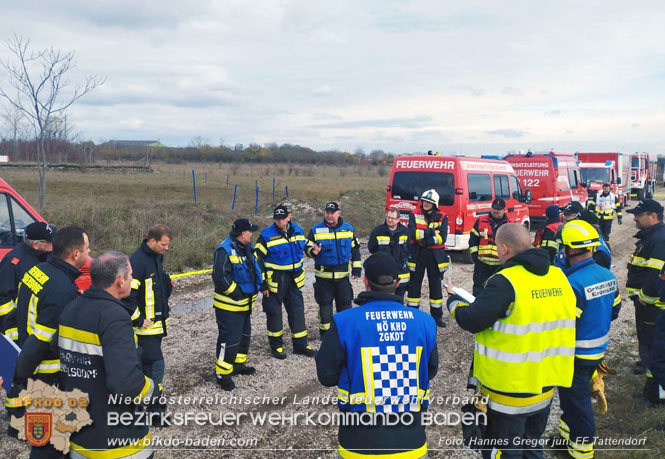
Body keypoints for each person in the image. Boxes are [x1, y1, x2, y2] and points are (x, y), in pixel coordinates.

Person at [447, 223, 576, 458]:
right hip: (544, 387)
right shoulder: (559, 276)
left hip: (508, 394)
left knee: (503, 451)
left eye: (496, 247)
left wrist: (453, 303)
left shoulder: (505, 281)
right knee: (532, 446)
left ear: (504, 249)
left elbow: (472, 319)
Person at [316, 252, 438, 458]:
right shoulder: (424, 322)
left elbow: (326, 375)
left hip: (358, 443)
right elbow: (431, 370)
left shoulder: (344, 322)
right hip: (411, 441)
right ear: (398, 282)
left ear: (365, 281)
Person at [59, 252, 154, 459]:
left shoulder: (71, 308)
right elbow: (125, 382)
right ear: (120, 281)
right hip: (118, 442)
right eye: (130, 276)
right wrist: (152, 393)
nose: (132, 280)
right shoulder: (114, 316)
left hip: (80, 434)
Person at [8, 226, 90, 453]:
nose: (88, 252)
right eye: (87, 248)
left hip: (30, 363)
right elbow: (42, 341)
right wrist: (20, 375)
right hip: (47, 377)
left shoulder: (38, 271)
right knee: (50, 443)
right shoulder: (60, 288)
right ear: (75, 254)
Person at [553, 220, 621, 458]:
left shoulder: (572, 284)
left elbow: (564, 326)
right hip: (596, 351)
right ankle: (566, 436)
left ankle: (581, 452)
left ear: (569, 249)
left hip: (576, 355)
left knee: (578, 404)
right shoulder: (607, 275)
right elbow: (614, 312)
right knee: (571, 400)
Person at [255, 205, 315, 359]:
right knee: (274, 314)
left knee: (297, 311)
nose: (280, 222)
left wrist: (312, 251)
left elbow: (305, 245)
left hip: (294, 279)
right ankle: (277, 347)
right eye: (277, 219)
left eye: (282, 218)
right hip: (275, 281)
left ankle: (300, 345)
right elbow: (257, 260)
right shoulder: (266, 235)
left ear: (289, 217)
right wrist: (262, 284)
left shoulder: (297, 229)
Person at [126, 224, 173, 418]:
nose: (166, 248)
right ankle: (154, 408)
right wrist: (138, 319)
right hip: (145, 329)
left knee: (147, 366)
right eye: (163, 244)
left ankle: (142, 403)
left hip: (157, 326)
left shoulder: (156, 258)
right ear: (151, 241)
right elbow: (128, 295)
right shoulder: (137, 262)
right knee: (155, 365)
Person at [212, 218, 262, 391]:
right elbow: (220, 278)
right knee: (229, 341)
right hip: (229, 307)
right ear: (243, 234)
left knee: (244, 338)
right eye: (250, 231)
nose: (252, 234)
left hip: (245, 306)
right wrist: (237, 294)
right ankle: (222, 374)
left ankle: (238, 366)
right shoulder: (224, 250)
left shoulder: (247, 248)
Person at [305, 202, 361, 338]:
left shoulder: (348, 229)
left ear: (338, 213)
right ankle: (325, 334)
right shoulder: (316, 230)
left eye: (332, 213)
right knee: (324, 307)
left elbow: (355, 250)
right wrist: (313, 251)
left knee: (345, 305)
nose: (329, 215)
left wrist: (357, 269)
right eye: (327, 213)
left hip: (343, 278)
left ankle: (345, 333)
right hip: (323, 279)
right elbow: (307, 248)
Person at [625, 199, 665, 378]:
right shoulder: (651, 237)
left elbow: (655, 276)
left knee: (651, 343)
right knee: (646, 338)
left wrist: (644, 298)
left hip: (650, 304)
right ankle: (647, 364)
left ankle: (653, 392)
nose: (635, 219)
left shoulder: (659, 240)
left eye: (639, 215)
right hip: (644, 303)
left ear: (653, 216)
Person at [0, 222, 55, 342]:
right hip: (17, 329)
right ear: (36, 244)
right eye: (50, 241)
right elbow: (3, 300)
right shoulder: (13, 262)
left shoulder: (45, 254)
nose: (54, 244)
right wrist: (14, 329)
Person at [406, 189, 449, 327]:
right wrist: (431, 232)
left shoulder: (442, 217)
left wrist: (425, 240)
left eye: (429, 202)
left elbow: (442, 237)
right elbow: (412, 234)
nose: (426, 204)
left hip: (434, 256)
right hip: (417, 254)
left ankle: (437, 317)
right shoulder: (414, 214)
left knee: (436, 286)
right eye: (424, 201)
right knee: (414, 286)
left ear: (434, 204)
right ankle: (412, 315)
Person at [469, 198, 511, 296]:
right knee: (478, 290)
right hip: (482, 265)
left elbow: (513, 245)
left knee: (498, 292)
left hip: (500, 266)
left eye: (498, 209)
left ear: (504, 210)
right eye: (494, 208)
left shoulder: (510, 225)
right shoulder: (480, 221)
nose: (495, 211)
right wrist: (475, 256)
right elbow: (473, 239)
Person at [368, 207, 410, 300]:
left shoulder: (405, 232)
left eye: (392, 218)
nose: (389, 220)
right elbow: (372, 248)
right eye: (388, 217)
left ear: (398, 219)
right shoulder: (377, 231)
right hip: (383, 275)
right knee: (382, 301)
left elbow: (409, 250)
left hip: (401, 275)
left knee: (398, 301)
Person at [553, 201, 585, 269]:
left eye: (568, 215)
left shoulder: (584, 232)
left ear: (578, 216)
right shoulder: (560, 229)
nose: (564, 217)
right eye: (564, 214)